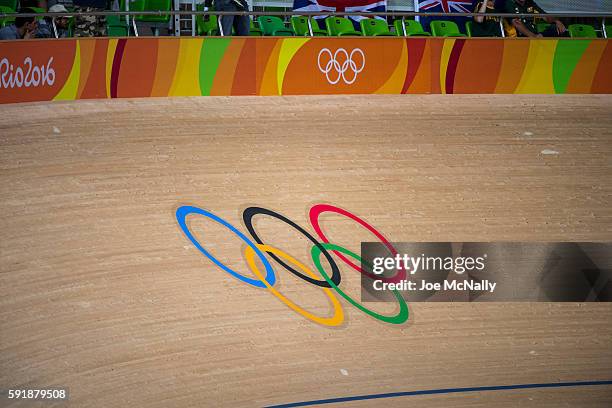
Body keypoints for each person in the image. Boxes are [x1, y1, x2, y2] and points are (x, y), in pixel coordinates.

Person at [503, 0, 568, 37]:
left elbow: (544, 16)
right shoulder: (509, 4)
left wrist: (556, 21)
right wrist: (534, 37)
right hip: (522, 38)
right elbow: (516, 24)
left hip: (536, 35)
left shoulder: (530, 2)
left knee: (556, 28)